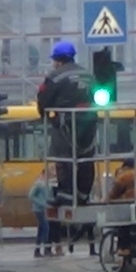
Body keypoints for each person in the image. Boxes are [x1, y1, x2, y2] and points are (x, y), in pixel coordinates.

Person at [36, 40, 96, 205]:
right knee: (86, 159)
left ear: (57, 60)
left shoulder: (54, 77)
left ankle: (66, 193)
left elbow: (43, 99)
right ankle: (83, 193)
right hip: (89, 123)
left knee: (64, 158)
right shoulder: (88, 75)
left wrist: (47, 117)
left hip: (65, 124)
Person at [28, 168, 51, 258]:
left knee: (41, 230)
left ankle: (37, 251)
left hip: (43, 209)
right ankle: (46, 249)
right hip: (38, 209)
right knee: (46, 228)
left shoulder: (45, 184)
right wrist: (41, 203)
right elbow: (31, 195)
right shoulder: (38, 184)